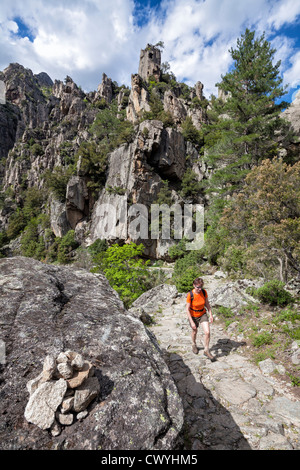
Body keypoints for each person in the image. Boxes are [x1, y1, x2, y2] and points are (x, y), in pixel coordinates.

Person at [186, 277, 215, 361]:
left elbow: (207, 304)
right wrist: (192, 322)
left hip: (202, 314)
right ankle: (193, 344)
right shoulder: (190, 295)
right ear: (194, 285)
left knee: (207, 332)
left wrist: (211, 315)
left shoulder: (204, 292)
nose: (199, 289)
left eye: (200, 287)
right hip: (193, 315)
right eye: (197, 287)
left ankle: (206, 350)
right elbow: (187, 309)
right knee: (194, 331)